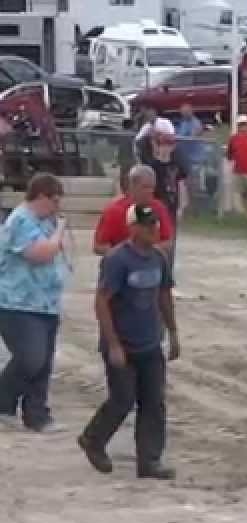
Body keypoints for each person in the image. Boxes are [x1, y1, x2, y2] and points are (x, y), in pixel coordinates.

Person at [78, 204, 179, 479]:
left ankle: (149, 461)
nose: (153, 230)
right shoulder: (117, 260)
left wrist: (173, 332)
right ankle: (93, 439)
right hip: (123, 343)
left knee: (154, 402)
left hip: (149, 343)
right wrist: (113, 344)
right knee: (122, 399)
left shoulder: (159, 258)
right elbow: (102, 302)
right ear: (133, 228)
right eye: (147, 226)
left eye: (155, 225)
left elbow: (164, 296)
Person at [0, 173, 69, 433]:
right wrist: (60, 230)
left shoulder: (43, 221)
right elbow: (41, 253)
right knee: (31, 357)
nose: (57, 207)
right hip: (17, 303)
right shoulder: (20, 220)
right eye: (54, 201)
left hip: (45, 302)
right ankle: (3, 399)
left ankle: (37, 414)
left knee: (44, 362)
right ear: (40, 196)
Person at [136, 117, 187, 265]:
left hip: (171, 207)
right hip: (157, 208)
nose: (167, 147)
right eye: (164, 144)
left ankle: (167, 272)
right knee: (154, 240)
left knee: (170, 241)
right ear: (157, 146)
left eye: (170, 144)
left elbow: (181, 184)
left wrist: (182, 206)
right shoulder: (152, 166)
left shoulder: (176, 164)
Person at [94, 164, 175, 255]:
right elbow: (99, 246)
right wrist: (128, 255)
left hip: (149, 263)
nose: (150, 191)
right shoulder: (114, 211)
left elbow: (168, 242)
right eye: (145, 187)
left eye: (152, 187)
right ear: (132, 186)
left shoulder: (158, 208)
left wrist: (147, 252)